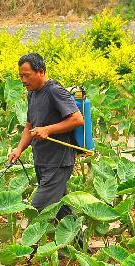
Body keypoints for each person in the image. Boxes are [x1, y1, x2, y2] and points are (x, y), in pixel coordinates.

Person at [7, 52, 84, 221]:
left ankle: (28, 248)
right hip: (42, 160)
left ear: (41, 72)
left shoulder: (55, 91)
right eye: (21, 76)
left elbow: (78, 119)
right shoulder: (32, 94)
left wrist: (48, 130)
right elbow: (29, 126)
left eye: (27, 76)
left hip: (58, 161)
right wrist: (19, 149)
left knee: (37, 210)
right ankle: (79, 244)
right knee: (61, 210)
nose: (23, 80)